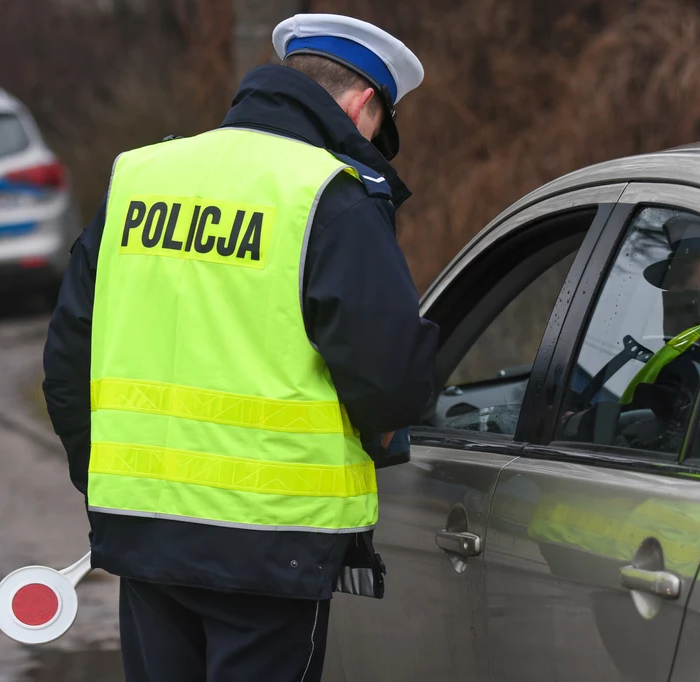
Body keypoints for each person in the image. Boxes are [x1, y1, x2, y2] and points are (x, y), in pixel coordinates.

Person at [41, 13, 438, 682]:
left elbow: (65, 364)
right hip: (274, 550)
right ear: (364, 104)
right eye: (379, 130)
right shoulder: (327, 194)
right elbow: (392, 376)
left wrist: (112, 482)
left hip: (145, 536)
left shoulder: (139, 176)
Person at [560, 215, 700, 461]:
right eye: (669, 281)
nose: (672, 290)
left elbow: (662, 425)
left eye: (684, 275)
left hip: (695, 492)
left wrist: (579, 424)